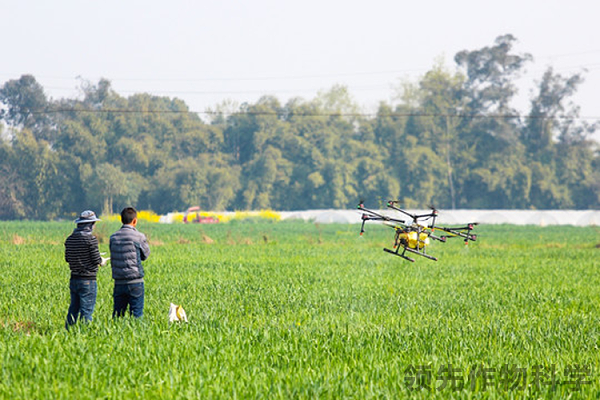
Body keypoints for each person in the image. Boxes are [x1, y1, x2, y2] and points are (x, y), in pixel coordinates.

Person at [64, 210, 108, 329]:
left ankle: (68, 332)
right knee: (86, 311)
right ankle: (85, 334)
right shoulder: (91, 239)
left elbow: (68, 258)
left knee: (73, 309)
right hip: (88, 280)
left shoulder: (69, 239)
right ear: (89, 225)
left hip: (74, 279)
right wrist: (101, 261)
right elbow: (95, 259)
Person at [109, 207, 150, 318]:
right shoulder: (139, 236)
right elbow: (145, 255)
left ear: (121, 220)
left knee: (118, 316)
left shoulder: (113, 237)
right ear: (135, 221)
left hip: (119, 282)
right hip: (135, 281)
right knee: (136, 315)